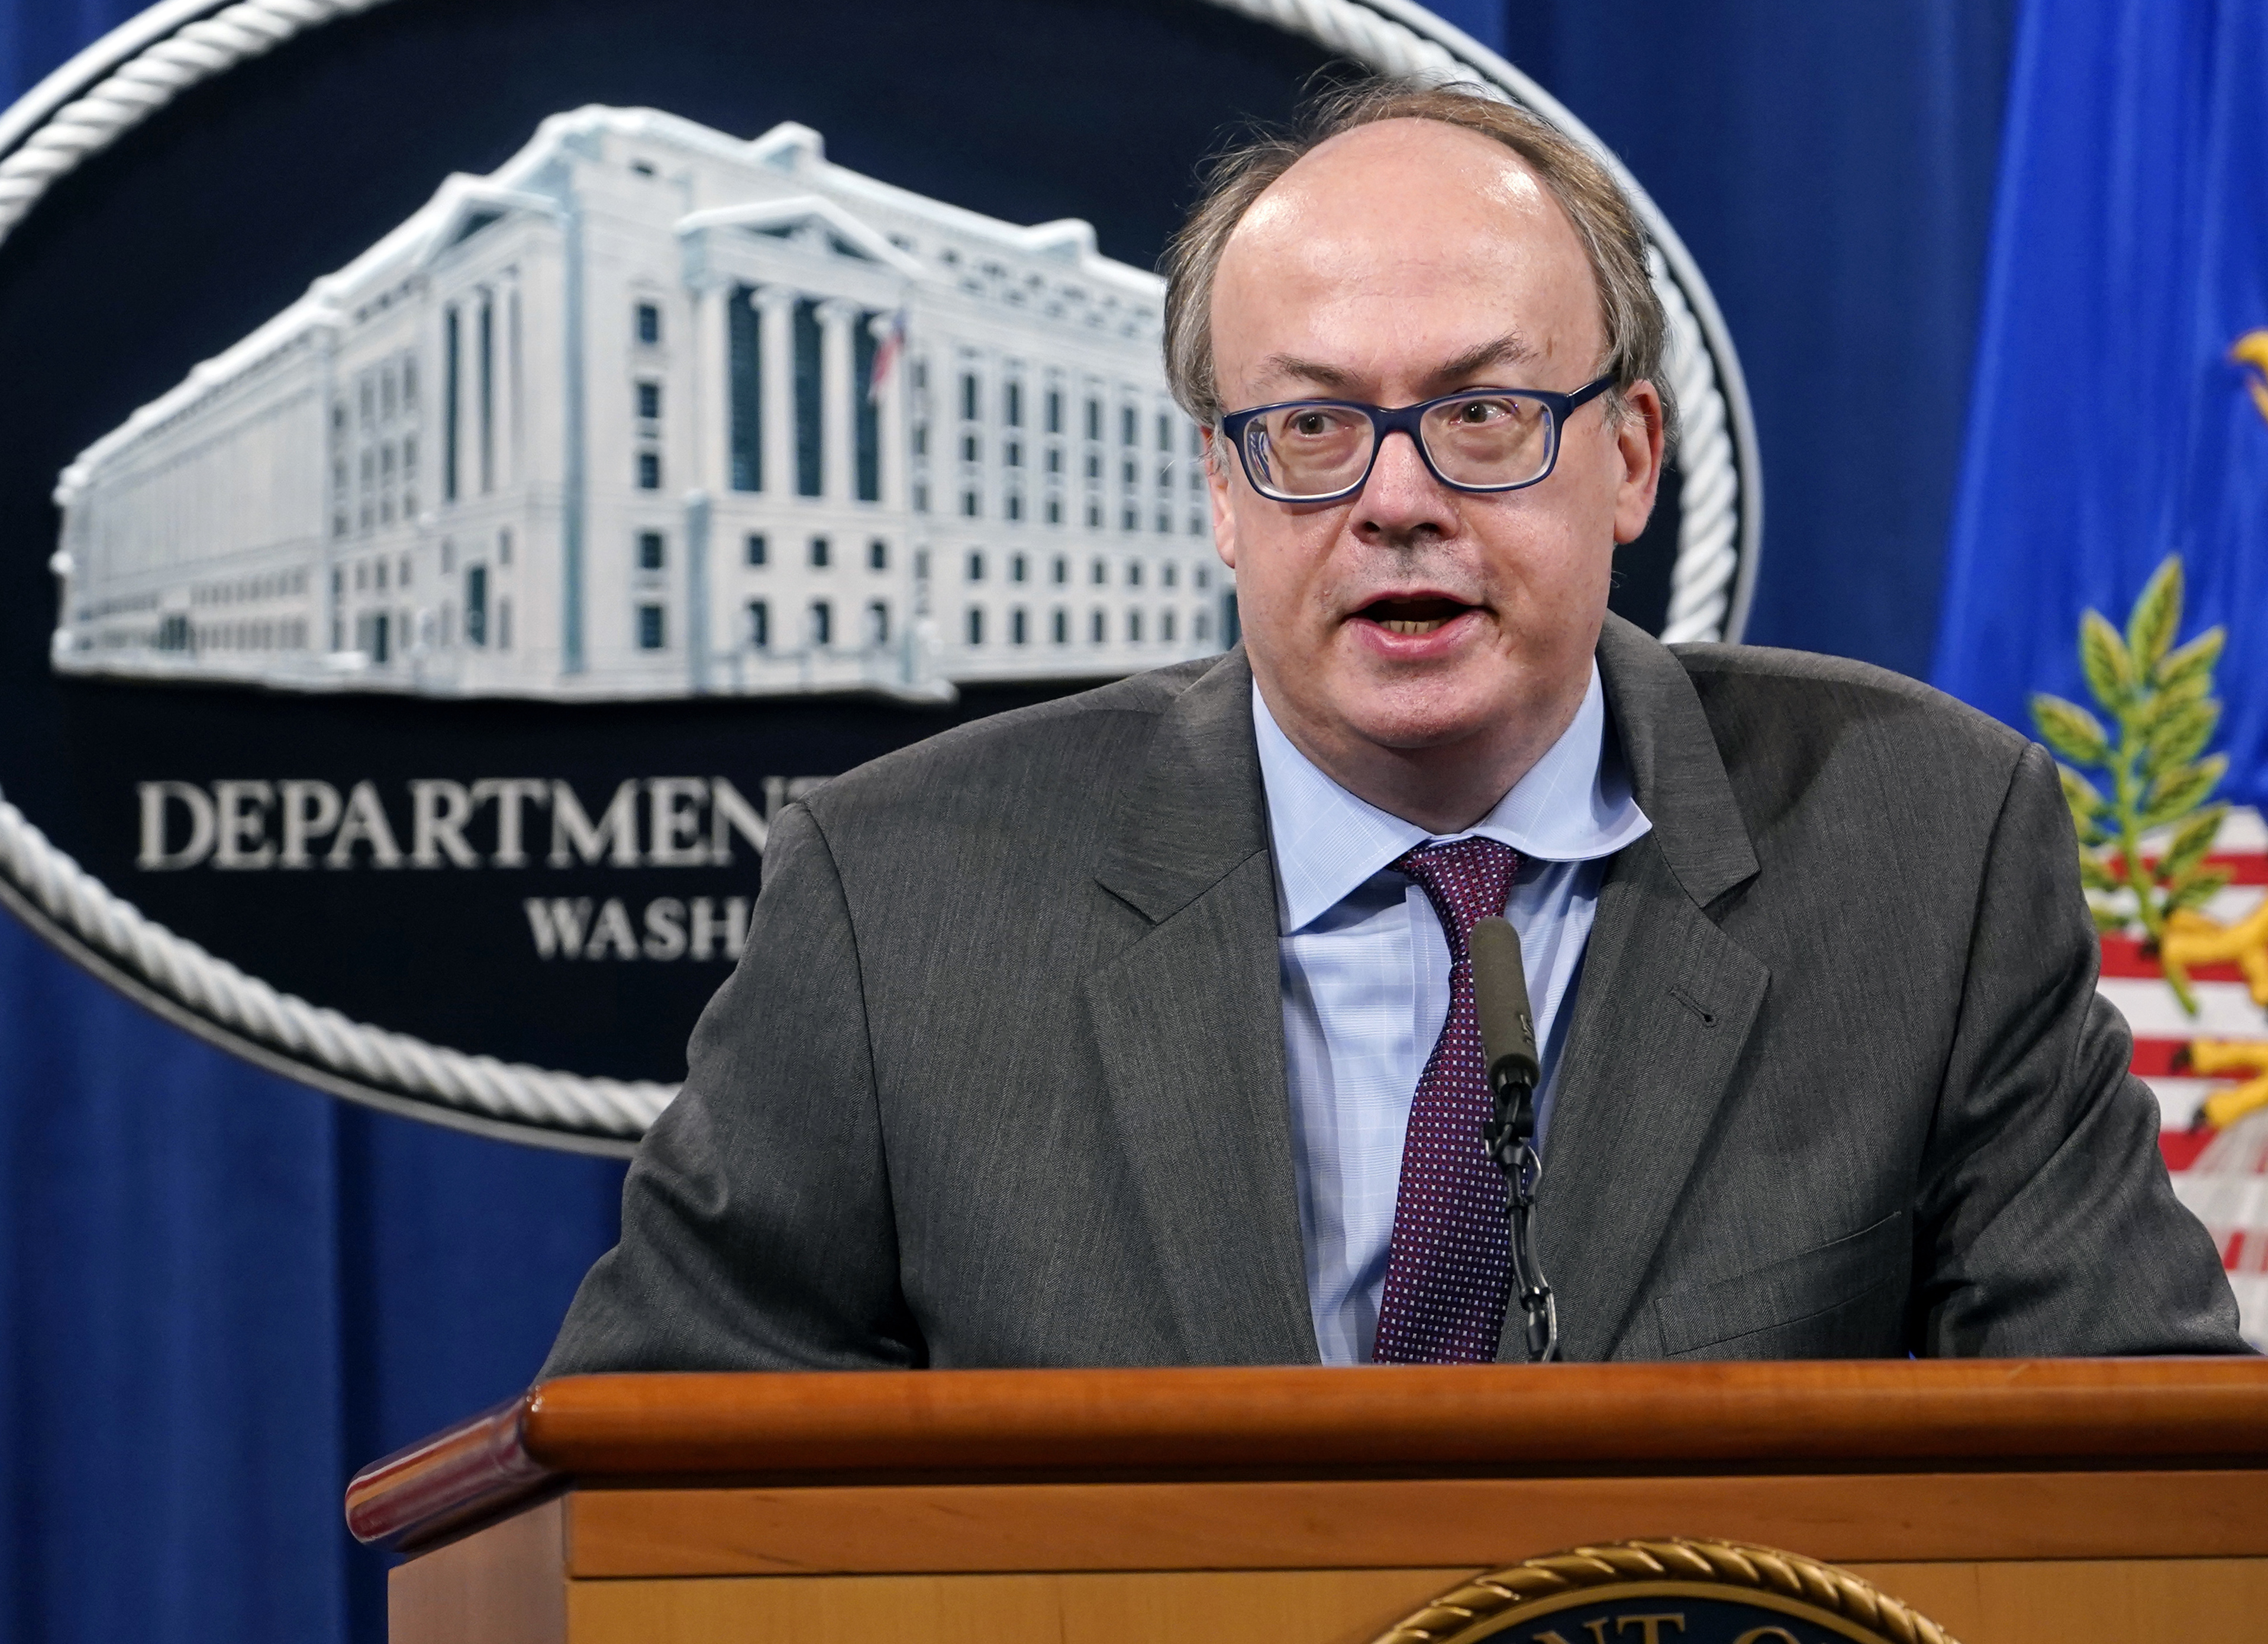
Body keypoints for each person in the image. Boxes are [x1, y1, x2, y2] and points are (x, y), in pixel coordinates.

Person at [540, 81, 2244, 1373]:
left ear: (1631, 453)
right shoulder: (900, 900)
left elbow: (2125, 1466)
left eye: (1484, 414)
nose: (1397, 500)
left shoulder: (1920, 848)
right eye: (1307, 428)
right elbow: (648, 1490)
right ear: (1219, 488)